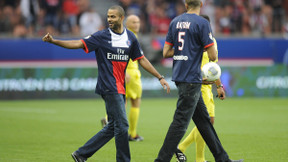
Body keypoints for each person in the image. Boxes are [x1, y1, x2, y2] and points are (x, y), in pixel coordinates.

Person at [42, 5, 170, 162]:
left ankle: (81, 154)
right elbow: (78, 43)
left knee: (113, 126)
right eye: (108, 16)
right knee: (123, 126)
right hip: (109, 86)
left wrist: (159, 76)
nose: (109, 19)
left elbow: (141, 59)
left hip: (120, 87)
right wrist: (54, 41)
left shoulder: (130, 38)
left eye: (113, 17)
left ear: (121, 18)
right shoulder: (101, 36)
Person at [154, 1, 243, 162]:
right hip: (191, 79)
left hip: (181, 76)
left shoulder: (175, 22)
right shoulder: (202, 23)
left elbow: (166, 52)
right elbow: (213, 56)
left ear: (185, 3)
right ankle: (161, 160)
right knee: (180, 122)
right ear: (201, 3)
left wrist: (185, 49)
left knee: (204, 122)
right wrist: (195, 48)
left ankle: (223, 159)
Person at [176, 14, 226, 162]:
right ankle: (191, 153)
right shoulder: (192, 42)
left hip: (207, 87)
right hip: (197, 85)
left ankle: (191, 153)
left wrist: (219, 86)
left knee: (207, 121)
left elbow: (213, 68)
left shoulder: (212, 42)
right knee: (207, 121)